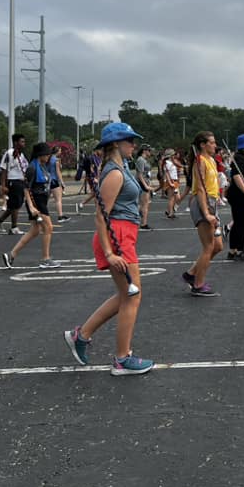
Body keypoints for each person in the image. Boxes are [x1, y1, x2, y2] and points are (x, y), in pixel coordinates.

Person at [64, 121, 154, 376]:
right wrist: (111, 252)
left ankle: (81, 335)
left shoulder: (121, 167)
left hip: (124, 234)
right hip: (118, 236)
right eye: (129, 141)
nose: (133, 145)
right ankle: (122, 359)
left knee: (126, 295)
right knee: (132, 297)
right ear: (115, 143)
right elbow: (100, 215)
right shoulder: (114, 173)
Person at [1, 143, 61, 269]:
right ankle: (45, 258)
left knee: (34, 231)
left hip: (42, 200)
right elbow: (26, 188)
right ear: (41, 155)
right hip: (36, 202)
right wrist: (31, 206)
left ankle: (11, 254)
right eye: (47, 154)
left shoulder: (42, 166)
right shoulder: (32, 168)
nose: (48, 157)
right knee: (48, 227)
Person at [182, 131, 223, 297]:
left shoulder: (211, 160)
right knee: (208, 246)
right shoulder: (199, 161)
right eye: (211, 143)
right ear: (202, 145)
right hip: (202, 203)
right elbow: (199, 189)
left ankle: (191, 274)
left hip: (212, 202)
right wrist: (206, 213)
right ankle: (198, 285)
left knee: (218, 246)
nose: (215, 145)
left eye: (214, 142)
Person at [0, 133, 28, 235]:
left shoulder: (21, 154)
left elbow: (24, 168)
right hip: (13, 181)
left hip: (20, 181)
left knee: (14, 206)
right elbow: (3, 170)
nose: (24, 143)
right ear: (16, 142)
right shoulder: (9, 153)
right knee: (15, 205)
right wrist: (3, 186)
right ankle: (14, 227)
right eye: (22, 141)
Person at [134, 145, 154, 230]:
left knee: (145, 204)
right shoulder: (140, 160)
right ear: (144, 150)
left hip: (146, 182)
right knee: (144, 204)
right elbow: (140, 174)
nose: (150, 152)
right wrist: (145, 185)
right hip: (142, 183)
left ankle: (141, 220)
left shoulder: (144, 160)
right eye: (149, 150)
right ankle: (143, 223)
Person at [49, 146, 70, 223]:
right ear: (57, 151)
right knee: (58, 200)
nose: (60, 152)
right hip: (54, 180)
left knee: (45, 200)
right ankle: (60, 216)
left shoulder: (48, 159)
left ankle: (40, 214)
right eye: (60, 151)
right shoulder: (56, 160)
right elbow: (58, 173)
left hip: (48, 180)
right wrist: (62, 183)